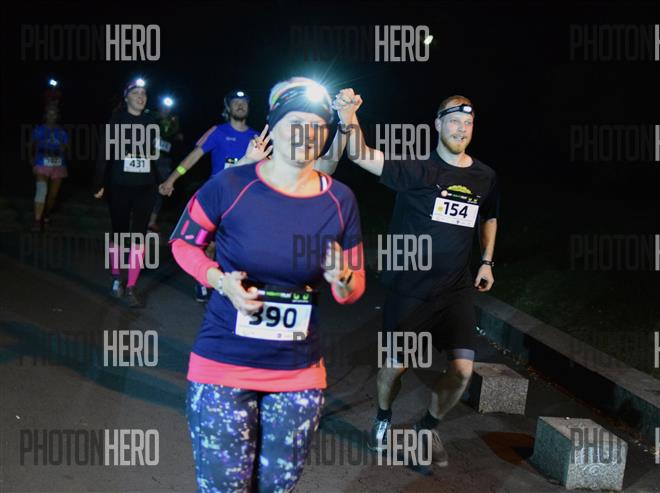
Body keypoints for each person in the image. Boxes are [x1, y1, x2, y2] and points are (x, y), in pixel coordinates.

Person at [170, 77, 365, 491]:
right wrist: (219, 281)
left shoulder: (341, 199)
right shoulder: (230, 185)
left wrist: (343, 279)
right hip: (223, 367)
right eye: (294, 124)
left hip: (297, 376)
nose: (305, 135)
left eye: (316, 127)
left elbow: (353, 287)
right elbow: (183, 243)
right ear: (272, 128)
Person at [344, 93, 500, 467]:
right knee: (394, 368)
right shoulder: (417, 169)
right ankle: (383, 415)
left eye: (468, 123)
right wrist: (348, 115)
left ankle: (426, 427)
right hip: (410, 290)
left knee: (462, 371)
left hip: (455, 290)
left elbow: (489, 216)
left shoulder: (485, 176)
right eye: (454, 121)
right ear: (438, 124)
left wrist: (486, 261)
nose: (461, 129)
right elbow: (360, 154)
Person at [160, 87, 352, 302]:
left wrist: (345, 127)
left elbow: (321, 166)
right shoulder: (218, 132)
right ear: (227, 107)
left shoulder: (259, 137)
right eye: (235, 102)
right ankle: (213, 283)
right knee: (210, 245)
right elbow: (194, 158)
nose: (240, 106)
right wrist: (172, 178)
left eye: (244, 103)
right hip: (220, 201)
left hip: (249, 206)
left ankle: (245, 289)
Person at [93, 78, 161, 308]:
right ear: (126, 97)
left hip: (146, 187)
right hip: (119, 185)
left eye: (144, 93)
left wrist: (162, 181)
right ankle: (116, 278)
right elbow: (104, 153)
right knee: (119, 233)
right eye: (135, 93)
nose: (141, 97)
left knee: (139, 236)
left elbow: (155, 156)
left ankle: (131, 286)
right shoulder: (116, 121)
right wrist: (99, 183)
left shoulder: (152, 121)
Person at [29, 104, 69, 231]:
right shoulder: (39, 130)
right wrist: (32, 159)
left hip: (58, 165)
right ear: (45, 115)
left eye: (54, 113)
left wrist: (63, 147)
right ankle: (37, 221)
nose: (52, 116)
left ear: (57, 116)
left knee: (52, 196)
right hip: (42, 163)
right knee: (41, 191)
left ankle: (46, 215)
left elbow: (67, 149)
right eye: (49, 113)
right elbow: (31, 144)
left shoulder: (62, 132)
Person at [147, 96, 183, 232]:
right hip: (147, 158)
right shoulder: (150, 117)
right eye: (163, 107)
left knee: (160, 189)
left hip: (164, 161)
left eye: (168, 108)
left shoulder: (173, 121)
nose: (165, 110)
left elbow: (177, 139)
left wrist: (178, 137)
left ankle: (152, 222)